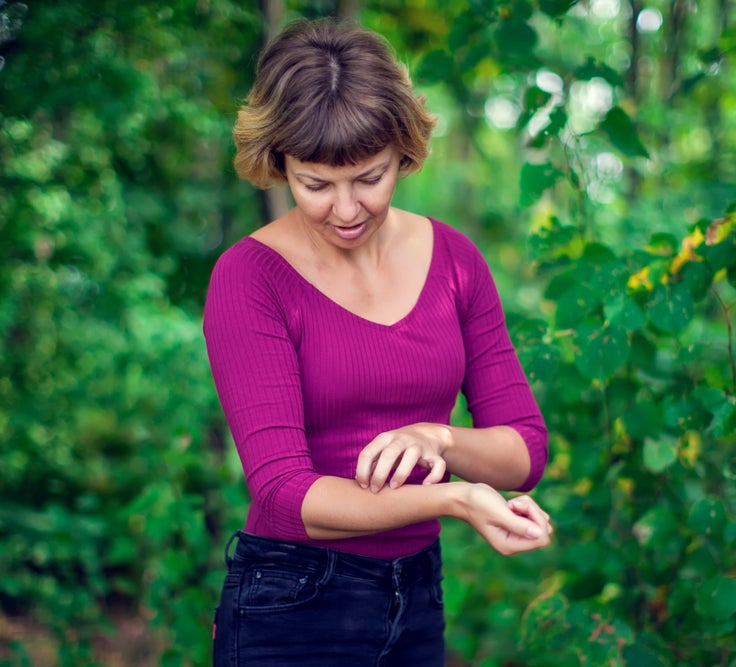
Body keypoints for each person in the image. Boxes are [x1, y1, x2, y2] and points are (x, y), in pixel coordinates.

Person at [202, 18, 552, 667]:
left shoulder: (455, 262)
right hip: (293, 605)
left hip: (415, 597)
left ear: (403, 151)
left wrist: (440, 438)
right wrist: (451, 494)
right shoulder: (248, 278)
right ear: (280, 163)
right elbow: (283, 490)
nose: (345, 208)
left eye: (369, 177)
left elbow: (524, 451)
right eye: (315, 183)